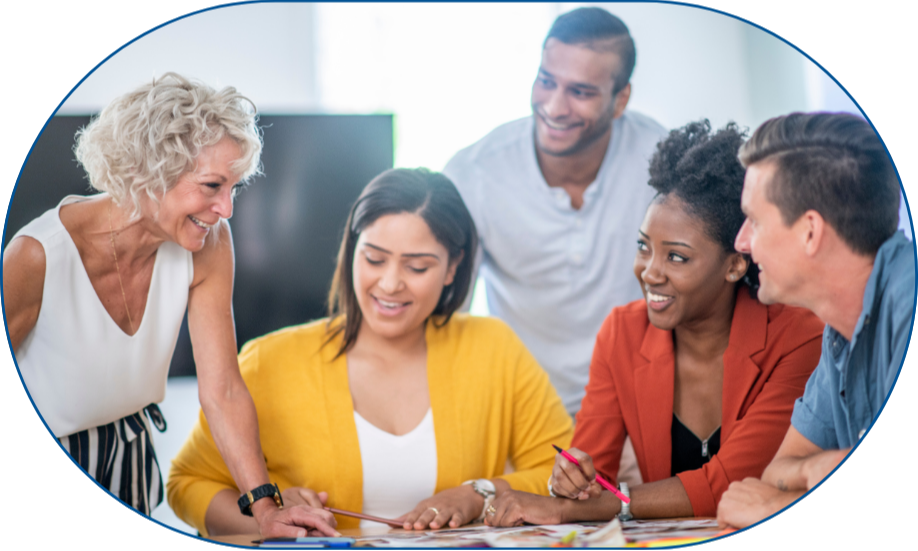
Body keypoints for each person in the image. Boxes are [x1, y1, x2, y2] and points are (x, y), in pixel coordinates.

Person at [3, 73, 337, 537]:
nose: (227, 209)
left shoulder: (210, 244)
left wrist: (265, 508)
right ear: (148, 172)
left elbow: (222, 389)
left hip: (132, 457)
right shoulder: (37, 255)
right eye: (212, 185)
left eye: (234, 188)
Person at [166, 168, 574, 537]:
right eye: (374, 259)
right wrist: (272, 518)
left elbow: (565, 474)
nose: (390, 283)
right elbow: (188, 483)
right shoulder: (269, 361)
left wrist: (480, 493)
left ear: (453, 268)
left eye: (417, 267)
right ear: (351, 250)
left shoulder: (494, 348)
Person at [477, 121, 825, 527]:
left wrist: (583, 507)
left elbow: (728, 482)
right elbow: (592, 472)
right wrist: (572, 482)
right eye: (643, 247)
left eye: (676, 257)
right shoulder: (622, 332)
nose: (649, 272)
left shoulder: (798, 336)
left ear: (734, 265)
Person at [442, 7, 668, 424]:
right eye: (546, 81)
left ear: (620, 100)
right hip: (523, 410)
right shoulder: (474, 174)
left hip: (641, 404)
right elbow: (448, 318)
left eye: (580, 92)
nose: (554, 106)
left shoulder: (663, 161)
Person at [716, 112, 915, 529]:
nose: (741, 242)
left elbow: (905, 498)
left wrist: (774, 510)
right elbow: (779, 469)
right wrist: (820, 469)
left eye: (755, 221)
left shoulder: (908, 300)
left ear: (810, 232)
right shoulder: (840, 330)